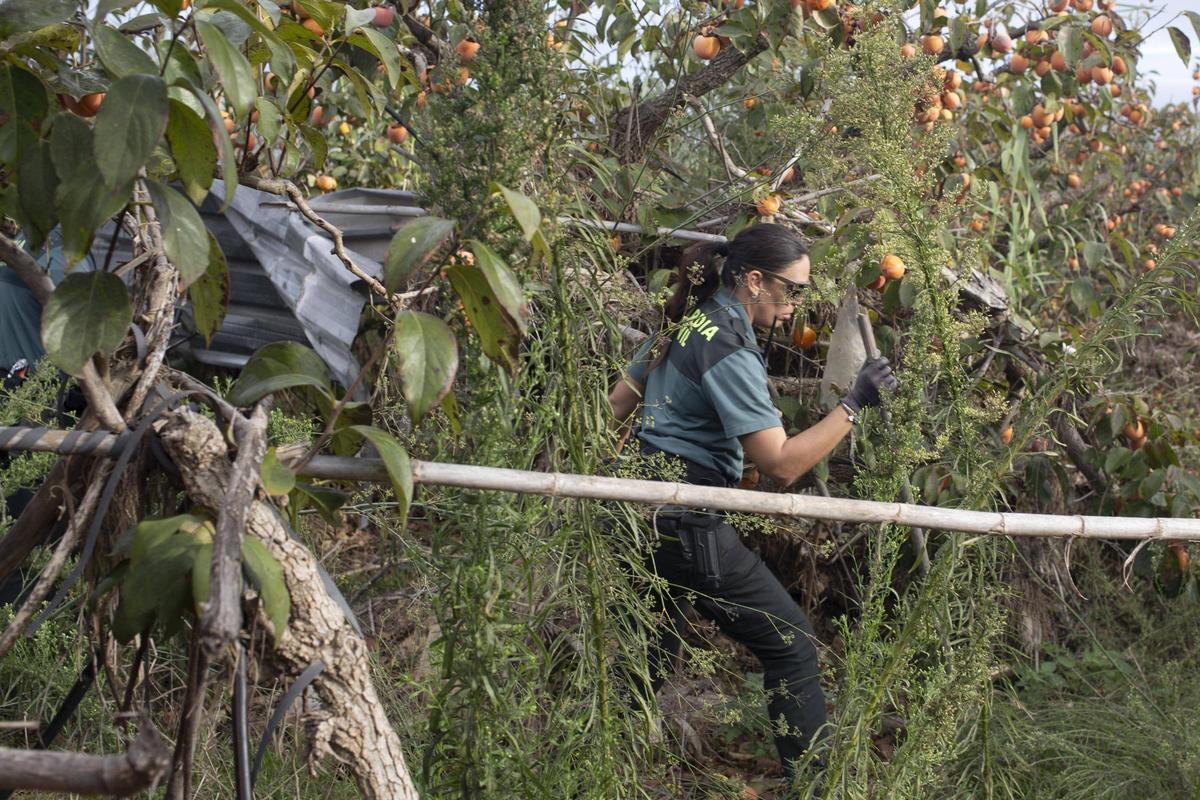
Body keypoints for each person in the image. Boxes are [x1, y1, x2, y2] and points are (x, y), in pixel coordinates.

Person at [606, 223, 897, 779]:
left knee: (646, 659)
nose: (798, 306)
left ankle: (591, 774)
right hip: (685, 518)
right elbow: (781, 463)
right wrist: (855, 403)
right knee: (792, 645)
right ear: (756, 281)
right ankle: (816, 787)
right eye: (794, 290)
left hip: (637, 504)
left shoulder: (689, 320)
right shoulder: (729, 346)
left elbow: (617, 402)